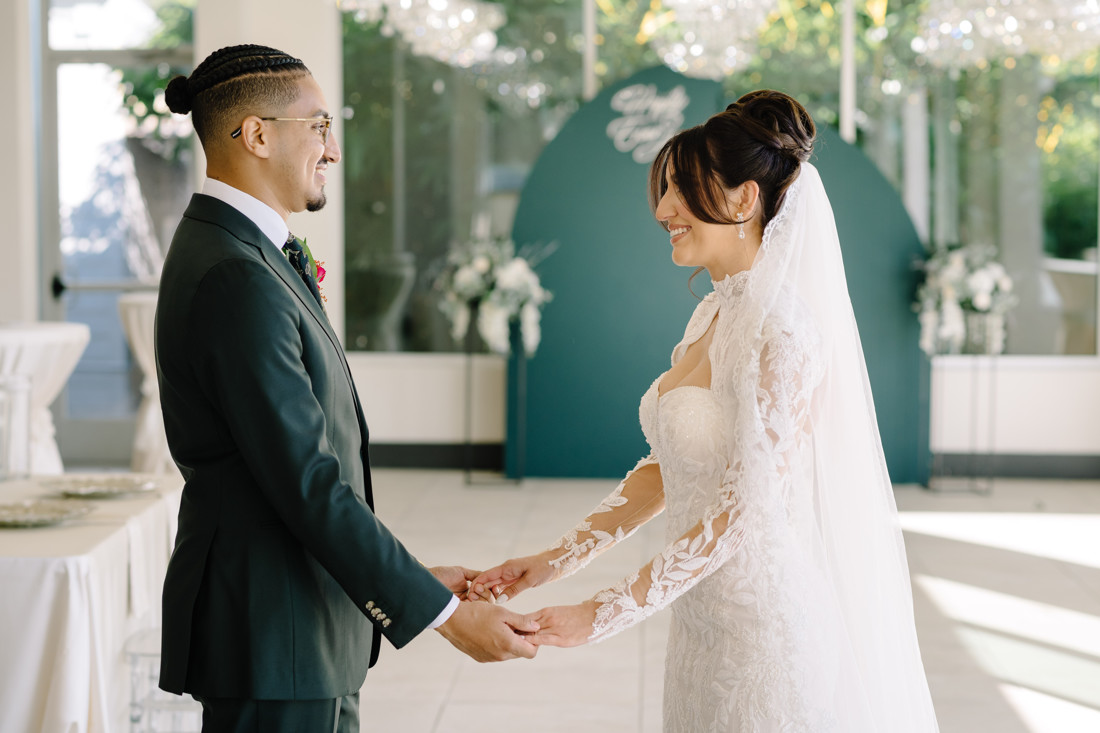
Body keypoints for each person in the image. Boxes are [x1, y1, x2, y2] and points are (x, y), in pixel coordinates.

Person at [469, 90, 939, 731]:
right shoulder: (712, 314)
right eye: (664, 191)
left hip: (765, 634)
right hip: (701, 622)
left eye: (681, 190)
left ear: (745, 199)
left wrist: (601, 613)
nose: (664, 210)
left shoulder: (783, 333)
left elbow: (746, 508)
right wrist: (550, 562)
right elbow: (667, 471)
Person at [155, 44, 537, 731]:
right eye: (320, 126)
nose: (331, 149)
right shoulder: (234, 275)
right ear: (258, 135)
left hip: (302, 622)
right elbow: (306, 481)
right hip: (273, 633)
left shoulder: (243, 251)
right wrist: (447, 618)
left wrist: (416, 576)